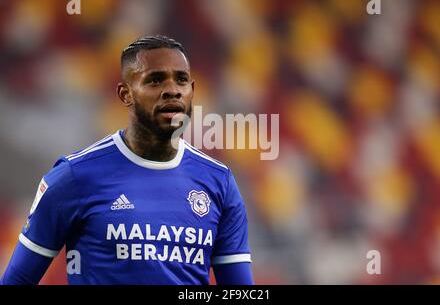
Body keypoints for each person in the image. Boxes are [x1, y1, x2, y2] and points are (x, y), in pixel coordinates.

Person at [0, 35, 253, 285]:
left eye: (182, 80)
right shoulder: (74, 176)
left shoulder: (219, 181)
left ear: (193, 91)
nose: (172, 91)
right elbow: (18, 279)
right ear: (125, 94)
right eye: (155, 80)